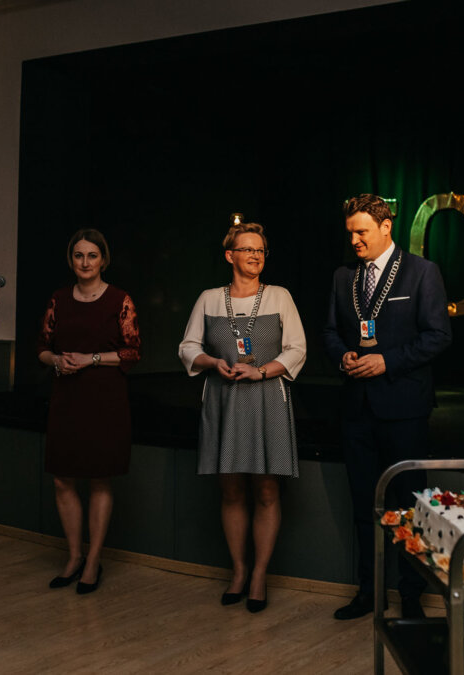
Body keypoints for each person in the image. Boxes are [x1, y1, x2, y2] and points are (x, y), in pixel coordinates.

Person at [323, 194, 452, 620]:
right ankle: (369, 592)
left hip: (404, 409)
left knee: (411, 507)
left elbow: (438, 335)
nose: (354, 241)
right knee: (364, 506)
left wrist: (387, 361)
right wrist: (343, 355)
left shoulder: (422, 272)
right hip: (356, 409)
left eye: (361, 232)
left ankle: (412, 597)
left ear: (385, 227)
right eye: (350, 233)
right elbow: (330, 332)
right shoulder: (343, 276)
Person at [179, 221, 306, 613]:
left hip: (267, 399)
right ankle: (238, 571)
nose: (255, 256)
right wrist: (212, 362)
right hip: (224, 399)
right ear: (229, 255)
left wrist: (260, 370)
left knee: (266, 490)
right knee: (231, 489)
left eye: (260, 250)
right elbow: (187, 347)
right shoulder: (209, 299)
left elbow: (297, 349)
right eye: (247, 249)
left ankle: (259, 575)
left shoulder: (280, 296)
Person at [37, 228, 141, 595]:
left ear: (103, 260)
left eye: (92, 255)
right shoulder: (59, 299)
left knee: (99, 479)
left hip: (105, 399)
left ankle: (94, 560)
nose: (85, 262)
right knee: (62, 479)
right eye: (79, 255)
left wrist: (90, 359)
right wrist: (57, 361)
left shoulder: (120, 299)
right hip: (66, 397)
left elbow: (133, 352)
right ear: (71, 261)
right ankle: (73, 556)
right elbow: (42, 348)